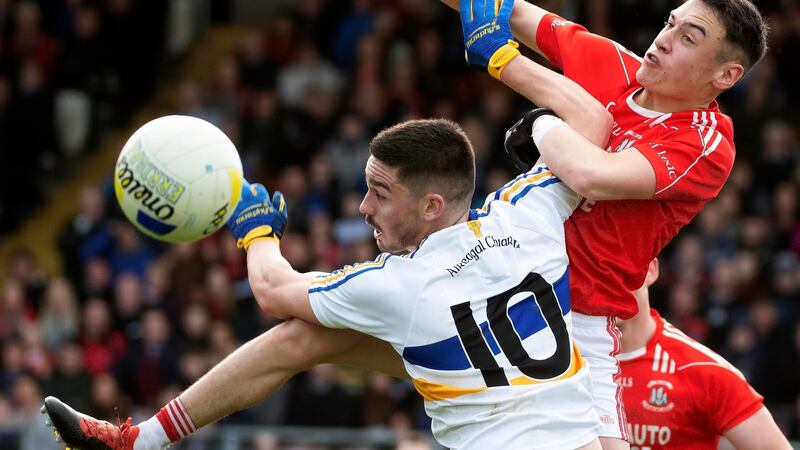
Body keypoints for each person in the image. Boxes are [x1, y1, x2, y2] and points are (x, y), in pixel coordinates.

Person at [43, 118, 608, 449]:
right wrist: (541, 126)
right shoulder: (531, 209)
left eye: (380, 194)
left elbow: (271, 290)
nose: (363, 207)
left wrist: (256, 230)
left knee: (300, 329)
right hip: (581, 433)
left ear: (433, 205)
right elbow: (596, 124)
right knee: (305, 339)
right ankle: (138, 442)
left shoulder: (398, 286)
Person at [446, 0, 768, 447]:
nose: (664, 40)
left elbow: (593, 176)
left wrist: (521, 89)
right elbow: (510, 9)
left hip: (580, 319)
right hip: (498, 282)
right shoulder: (613, 62)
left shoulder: (707, 142)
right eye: (669, 23)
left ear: (725, 76)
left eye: (688, 38)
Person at [617, 258, 791, 449]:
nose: (607, 284)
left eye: (618, 268)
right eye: (594, 271)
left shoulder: (701, 368)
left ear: (650, 269)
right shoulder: (579, 364)